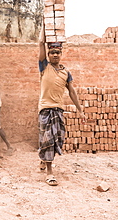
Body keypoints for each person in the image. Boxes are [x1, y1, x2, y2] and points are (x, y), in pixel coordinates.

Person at [38, 26, 87, 186]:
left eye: (57, 52)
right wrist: (46, 25)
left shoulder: (66, 73)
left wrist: (80, 110)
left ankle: (43, 158)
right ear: (49, 54)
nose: (55, 55)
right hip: (45, 109)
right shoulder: (44, 66)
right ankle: (50, 172)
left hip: (58, 109)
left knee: (56, 139)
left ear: (61, 54)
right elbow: (40, 43)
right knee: (49, 139)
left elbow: (72, 92)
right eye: (52, 52)